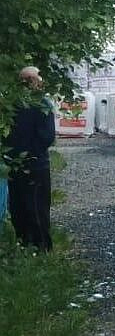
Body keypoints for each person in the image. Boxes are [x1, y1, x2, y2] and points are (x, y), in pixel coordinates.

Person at [3, 66, 56, 250]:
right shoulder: (41, 104)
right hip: (34, 164)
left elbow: (7, 136)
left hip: (17, 164)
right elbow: (47, 137)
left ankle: (28, 245)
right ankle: (38, 248)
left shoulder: (12, 105)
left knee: (22, 208)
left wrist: (16, 155)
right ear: (35, 81)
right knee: (33, 208)